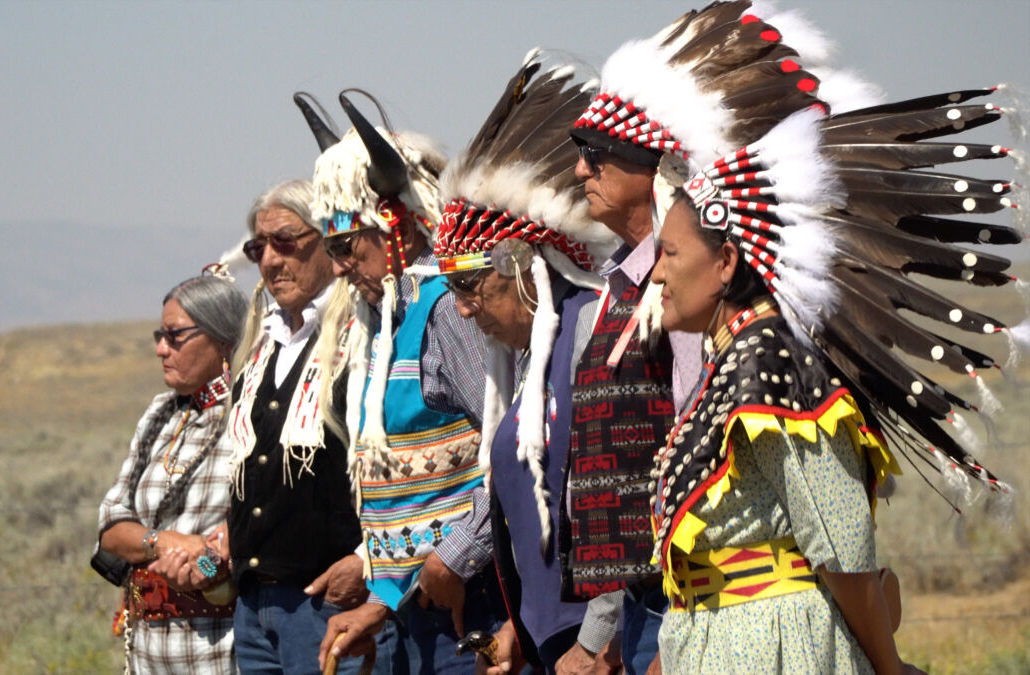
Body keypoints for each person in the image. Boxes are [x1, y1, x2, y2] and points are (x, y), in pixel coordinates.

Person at [650, 78, 1021, 670]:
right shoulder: (734, 362)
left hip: (779, 651)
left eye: (668, 254)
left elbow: (843, 550)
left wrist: (889, 666)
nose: (655, 276)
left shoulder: (777, 363)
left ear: (724, 262)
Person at [565, 3, 836, 671]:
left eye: (597, 157)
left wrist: (679, 628)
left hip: (705, 598)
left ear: (646, 165)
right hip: (649, 598)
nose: (580, 172)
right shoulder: (622, 286)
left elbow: (707, 441)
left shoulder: (690, 292)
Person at [431, 51, 628, 674]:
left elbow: (626, 497)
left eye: (469, 288)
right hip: (552, 645)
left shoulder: (593, 330)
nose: (460, 312)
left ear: (519, 265)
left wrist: (599, 640)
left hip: (600, 650)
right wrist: (521, 627)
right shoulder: (524, 357)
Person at [299, 93, 507, 673]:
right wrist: (382, 592)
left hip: (472, 604)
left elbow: (510, 448)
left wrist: (456, 555)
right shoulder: (384, 324)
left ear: (396, 226)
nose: (339, 266)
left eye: (347, 246)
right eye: (331, 248)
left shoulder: (444, 310)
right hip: (418, 608)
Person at [218, 180, 370, 674]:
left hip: (329, 604)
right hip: (256, 608)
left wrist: (368, 561)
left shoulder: (364, 334)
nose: (269, 261)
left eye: (286, 241)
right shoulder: (261, 345)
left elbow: (390, 462)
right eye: (258, 248)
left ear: (327, 239)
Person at [94, 273, 248, 673]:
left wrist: (208, 571)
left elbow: (243, 541)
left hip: (220, 649)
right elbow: (111, 523)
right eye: (159, 336)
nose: (162, 349)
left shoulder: (251, 415)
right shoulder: (160, 414)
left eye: (176, 336)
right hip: (148, 652)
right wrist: (165, 542)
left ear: (222, 340)